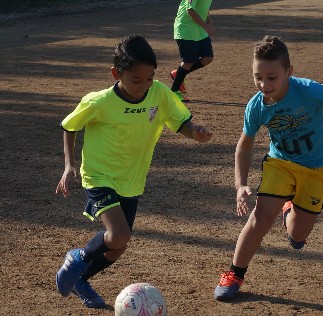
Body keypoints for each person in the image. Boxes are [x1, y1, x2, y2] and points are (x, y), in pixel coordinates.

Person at [213, 35, 323, 301]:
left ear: (288, 72)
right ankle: (235, 274)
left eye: (272, 77)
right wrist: (241, 185)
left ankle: (288, 208)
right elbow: (244, 146)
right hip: (280, 164)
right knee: (260, 217)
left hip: (318, 167)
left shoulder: (308, 90)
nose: (264, 84)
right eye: (258, 77)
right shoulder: (256, 106)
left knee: (297, 237)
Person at [55, 35, 213, 308]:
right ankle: (77, 257)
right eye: (136, 80)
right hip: (99, 175)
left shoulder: (159, 93)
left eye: (149, 78)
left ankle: (81, 279)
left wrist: (194, 132)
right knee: (119, 236)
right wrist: (69, 165)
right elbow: (70, 126)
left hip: (131, 180)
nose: (144, 86)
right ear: (116, 73)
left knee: (118, 247)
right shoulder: (99, 102)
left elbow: (180, 121)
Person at [170, 0, 215, 102]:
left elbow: (202, 6)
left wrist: (208, 18)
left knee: (208, 58)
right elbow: (190, 10)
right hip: (186, 30)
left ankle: (179, 74)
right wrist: (205, 26)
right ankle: (174, 92)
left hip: (199, 31)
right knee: (188, 62)